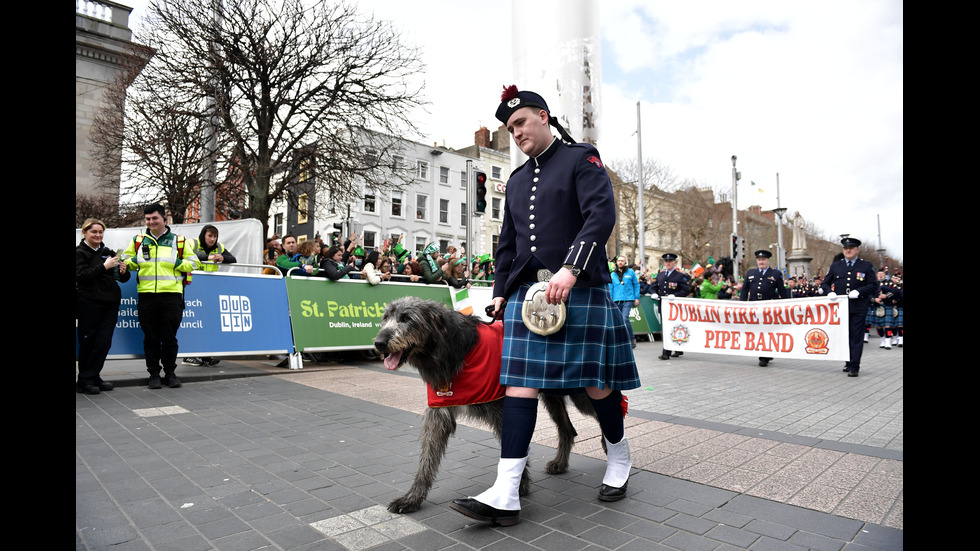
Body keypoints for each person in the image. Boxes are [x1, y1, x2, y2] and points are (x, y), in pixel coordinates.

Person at [450, 86, 639, 527]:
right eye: (509, 128)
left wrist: (571, 268)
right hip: (525, 296)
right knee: (519, 385)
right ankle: (506, 491)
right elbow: (508, 245)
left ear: (544, 117)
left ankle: (619, 458)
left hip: (578, 289)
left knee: (595, 385)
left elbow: (600, 216)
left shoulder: (581, 157)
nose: (515, 133)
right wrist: (499, 291)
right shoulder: (515, 181)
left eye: (520, 123)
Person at [123, 203, 198, 389]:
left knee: (169, 338)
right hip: (147, 296)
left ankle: (171, 373)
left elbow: (194, 263)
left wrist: (177, 262)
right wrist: (133, 261)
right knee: (150, 338)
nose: (151, 222)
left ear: (164, 218)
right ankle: (154, 375)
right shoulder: (138, 240)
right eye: (148, 219)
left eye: (154, 218)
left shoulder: (179, 240)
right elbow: (126, 262)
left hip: (172, 296)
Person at [76, 218, 131, 395]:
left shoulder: (108, 251)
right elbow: (82, 276)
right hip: (89, 303)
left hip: (110, 303)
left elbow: (122, 278)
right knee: (88, 340)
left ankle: (94, 375)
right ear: (84, 233)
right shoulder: (79, 253)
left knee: (103, 342)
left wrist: (123, 271)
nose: (98, 235)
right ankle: (85, 380)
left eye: (100, 232)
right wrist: (103, 266)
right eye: (94, 232)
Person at [819, 237, 878, 377]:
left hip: (858, 306)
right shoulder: (836, 266)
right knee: (843, 336)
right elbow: (825, 283)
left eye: (851, 248)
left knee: (856, 336)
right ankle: (847, 361)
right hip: (841, 307)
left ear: (857, 250)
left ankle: (854, 366)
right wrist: (830, 292)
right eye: (846, 248)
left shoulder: (866, 266)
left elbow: (873, 285)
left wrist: (859, 291)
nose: (848, 250)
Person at [184, 224, 238, 367]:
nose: (212, 239)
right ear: (203, 235)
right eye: (210, 236)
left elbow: (233, 259)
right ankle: (188, 356)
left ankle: (206, 355)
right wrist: (209, 257)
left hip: (210, 288)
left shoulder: (219, 247)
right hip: (192, 287)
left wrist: (222, 258)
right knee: (193, 323)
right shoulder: (192, 243)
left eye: (215, 236)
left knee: (207, 323)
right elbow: (190, 255)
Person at [738, 250, 789, 367]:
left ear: (768, 261)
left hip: (768, 308)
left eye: (764, 260)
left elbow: (782, 291)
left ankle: (764, 356)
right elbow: (745, 290)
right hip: (754, 306)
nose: (761, 262)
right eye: (759, 260)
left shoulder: (776, 274)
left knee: (767, 331)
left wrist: (786, 305)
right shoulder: (751, 273)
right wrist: (742, 305)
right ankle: (765, 352)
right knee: (758, 331)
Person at [649, 253, 691, 360]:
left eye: (670, 261)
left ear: (674, 263)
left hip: (675, 306)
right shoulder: (660, 275)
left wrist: (675, 295)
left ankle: (666, 352)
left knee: (675, 326)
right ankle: (676, 348)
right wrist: (653, 293)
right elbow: (653, 287)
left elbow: (685, 290)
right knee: (666, 327)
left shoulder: (680, 276)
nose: (668, 263)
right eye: (666, 262)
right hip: (663, 305)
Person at [608, 255, 640, 349]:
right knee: (618, 320)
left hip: (628, 299)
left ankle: (631, 338)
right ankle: (620, 339)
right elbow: (610, 288)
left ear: (625, 262)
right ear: (616, 262)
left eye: (622, 261)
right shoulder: (612, 274)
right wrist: (610, 300)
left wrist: (636, 298)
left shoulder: (631, 272)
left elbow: (636, 285)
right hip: (616, 300)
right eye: (619, 261)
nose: (620, 262)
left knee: (625, 318)